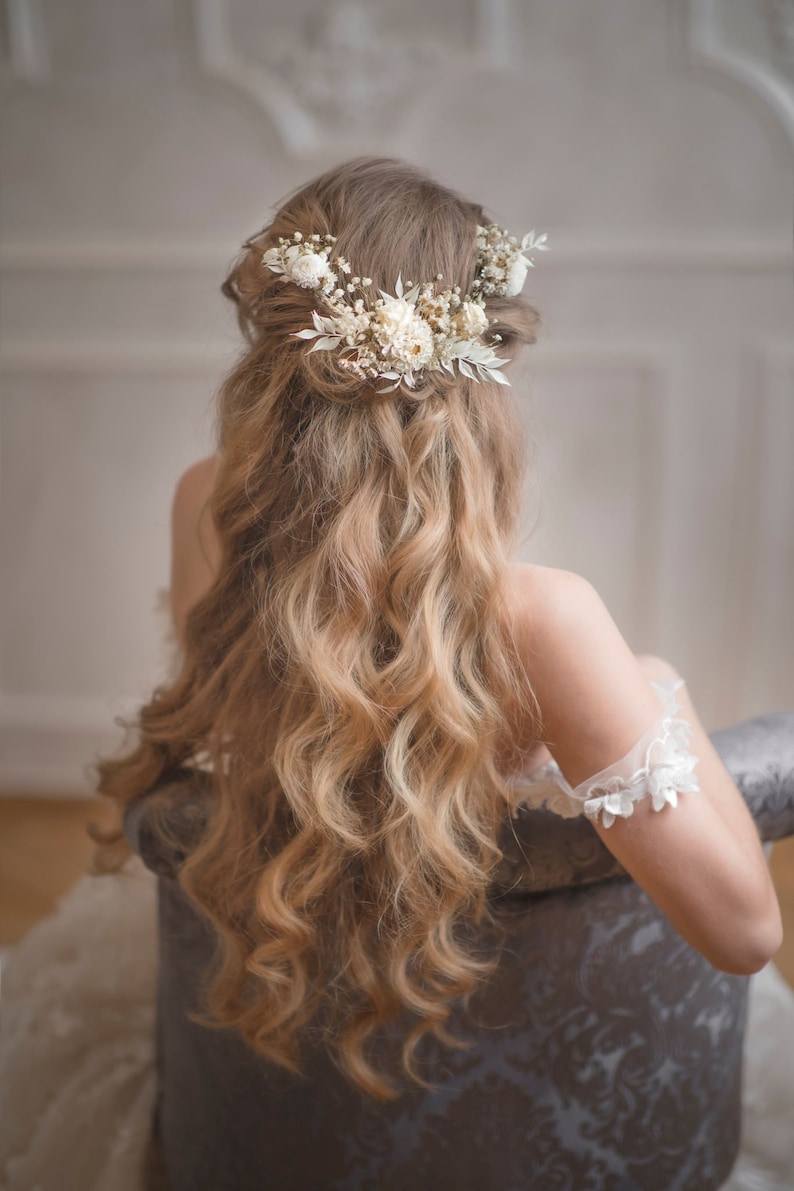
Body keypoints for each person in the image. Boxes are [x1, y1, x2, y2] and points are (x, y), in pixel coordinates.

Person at [0, 157, 791, 1190]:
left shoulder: (206, 504)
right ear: (479, 376)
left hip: (266, 997)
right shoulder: (545, 621)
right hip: (501, 1038)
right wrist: (661, 691)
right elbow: (742, 934)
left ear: (273, 353)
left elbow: (226, 736)